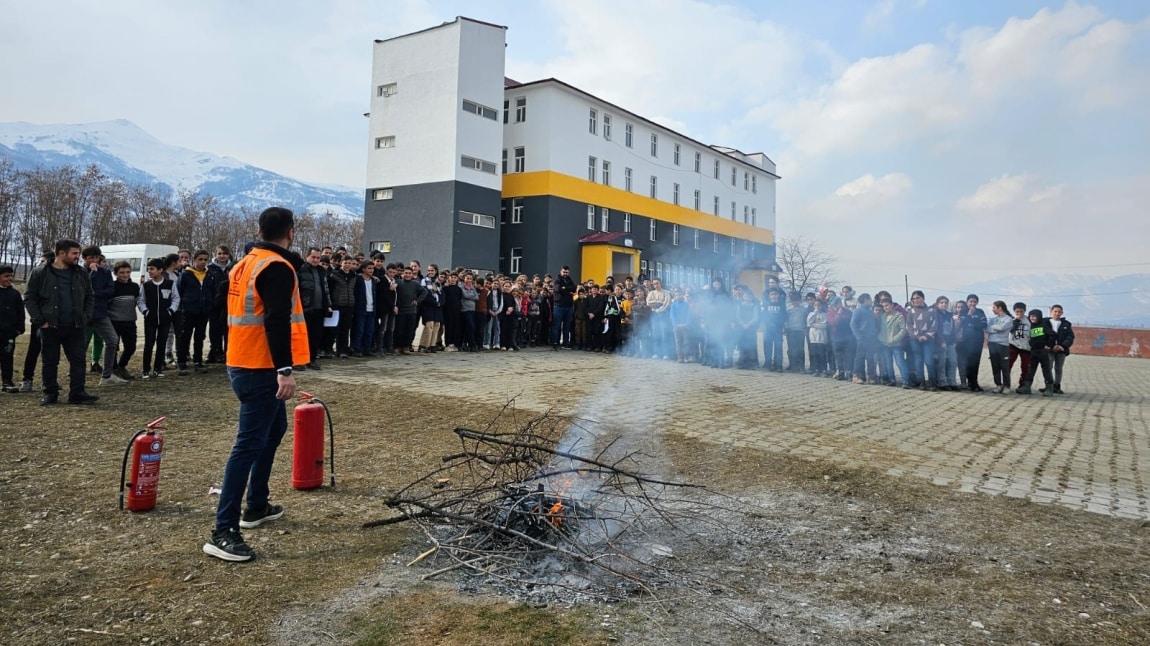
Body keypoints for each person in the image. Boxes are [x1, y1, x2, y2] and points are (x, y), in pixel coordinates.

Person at [203, 206, 310, 562]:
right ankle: (223, 530)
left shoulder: (245, 262)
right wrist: (284, 368)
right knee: (248, 444)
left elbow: (221, 305)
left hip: (243, 360)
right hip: (259, 366)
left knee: (274, 428)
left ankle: (257, 505)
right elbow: (277, 320)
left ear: (260, 229)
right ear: (290, 232)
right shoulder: (275, 267)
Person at [23, 240, 99, 406]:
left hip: (75, 325)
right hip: (49, 326)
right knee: (50, 361)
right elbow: (29, 298)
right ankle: (50, 393)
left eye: (78, 254)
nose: (77, 257)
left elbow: (90, 296)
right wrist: (40, 321)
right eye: (74, 253)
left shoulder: (81, 273)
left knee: (78, 360)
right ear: (61, 253)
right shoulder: (39, 273)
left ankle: (77, 393)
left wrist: (86, 316)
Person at [176, 250, 222, 375]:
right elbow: (180, 291)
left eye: (205, 260)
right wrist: (183, 306)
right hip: (189, 310)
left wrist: (210, 305)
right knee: (185, 336)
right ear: (194, 260)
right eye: (200, 259)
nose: (202, 262)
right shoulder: (186, 274)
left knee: (200, 336)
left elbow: (213, 292)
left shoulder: (209, 275)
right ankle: (181, 362)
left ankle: (198, 361)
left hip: (204, 310)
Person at [82, 247, 121, 384]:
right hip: (84, 314)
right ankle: (78, 374)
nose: (94, 261)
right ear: (84, 259)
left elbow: (110, 290)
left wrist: (94, 294)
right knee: (81, 345)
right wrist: (92, 274)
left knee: (112, 340)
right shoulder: (80, 272)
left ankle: (107, 375)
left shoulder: (105, 272)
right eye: (90, 258)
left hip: (100, 313)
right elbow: (82, 290)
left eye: (96, 257)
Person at [138, 257, 180, 379]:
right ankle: (146, 370)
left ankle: (158, 369)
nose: (149, 272)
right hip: (150, 320)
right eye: (148, 269)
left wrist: (170, 311)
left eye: (152, 269)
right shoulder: (146, 285)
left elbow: (176, 298)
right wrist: (145, 312)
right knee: (149, 344)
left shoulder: (170, 284)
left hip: (165, 319)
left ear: (160, 270)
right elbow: (141, 300)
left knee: (161, 344)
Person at [297, 247, 331, 368]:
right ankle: (299, 361)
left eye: (318, 258)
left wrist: (328, 305)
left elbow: (326, 289)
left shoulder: (322, 271)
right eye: (313, 257)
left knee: (315, 336)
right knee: (302, 337)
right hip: (304, 309)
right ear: (307, 257)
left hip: (319, 309)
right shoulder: (301, 270)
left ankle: (311, 359)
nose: (316, 260)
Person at [108, 261, 141, 380]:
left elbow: (138, 302)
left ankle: (122, 366)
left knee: (131, 347)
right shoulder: (111, 286)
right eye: (122, 272)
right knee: (113, 347)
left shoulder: (134, 287)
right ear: (116, 273)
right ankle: (113, 369)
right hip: (114, 321)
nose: (125, 275)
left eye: (127, 272)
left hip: (130, 321)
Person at [1016, 309, 1055, 397]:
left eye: (1034, 316)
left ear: (1039, 316)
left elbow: (1053, 335)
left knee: (1046, 370)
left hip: (1043, 351)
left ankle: (1049, 388)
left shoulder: (1044, 325)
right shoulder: (1031, 326)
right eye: (1030, 316)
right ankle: (1027, 387)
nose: (1032, 318)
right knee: (1031, 369)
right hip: (1033, 351)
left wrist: (1048, 344)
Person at [0, 265, 25, 392]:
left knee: (7, 357)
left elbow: (21, 313)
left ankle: (7, 382)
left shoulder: (14, 294)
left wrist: (19, 329)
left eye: (11, 276)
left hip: (9, 333)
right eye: (6, 276)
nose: (9, 279)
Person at [957, 294, 988, 392]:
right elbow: (962, 323)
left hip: (977, 341)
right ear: (967, 302)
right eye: (970, 301)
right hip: (966, 341)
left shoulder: (980, 312)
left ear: (977, 302)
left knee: (976, 363)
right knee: (968, 363)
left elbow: (983, 324)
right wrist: (970, 315)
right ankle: (970, 383)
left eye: (974, 302)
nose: (972, 303)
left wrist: (971, 323)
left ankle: (975, 383)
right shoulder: (963, 311)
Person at [986, 301, 1013, 393]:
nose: (992, 309)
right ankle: (998, 384)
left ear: (1000, 308)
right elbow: (987, 328)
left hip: (1002, 345)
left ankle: (1007, 386)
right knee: (995, 366)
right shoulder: (992, 319)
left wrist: (994, 328)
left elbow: (1002, 328)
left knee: (1004, 366)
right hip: (992, 344)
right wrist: (996, 328)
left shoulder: (1008, 319)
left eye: (994, 307)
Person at [1048, 304, 1074, 395]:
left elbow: (1070, 337)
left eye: (1059, 312)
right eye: (1055, 311)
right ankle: (1049, 385)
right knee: (1048, 367)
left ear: (1062, 313)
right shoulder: (1046, 322)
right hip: (1049, 349)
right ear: (1051, 312)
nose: (1057, 313)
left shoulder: (1066, 324)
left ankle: (1057, 385)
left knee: (1058, 368)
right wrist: (1051, 345)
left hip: (1061, 350)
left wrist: (1063, 346)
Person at [1008, 302, 1031, 392]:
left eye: (1021, 311)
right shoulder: (1011, 320)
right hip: (1013, 345)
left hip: (1026, 346)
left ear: (1024, 311)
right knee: (1008, 364)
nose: (1019, 313)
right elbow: (1010, 331)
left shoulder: (1029, 321)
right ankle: (1006, 383)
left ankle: (1023, 385)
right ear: (1014, 311)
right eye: (1017, 311)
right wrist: (1016, 321)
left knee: (1025, 366)